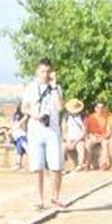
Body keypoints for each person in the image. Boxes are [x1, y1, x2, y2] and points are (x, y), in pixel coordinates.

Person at [21, 58, 65, 210]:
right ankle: (39, 199)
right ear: (37, 71)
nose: (45, 74)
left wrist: (53, 87)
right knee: (37, 166)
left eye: (48, 71)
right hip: (36, 129)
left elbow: (59, 108)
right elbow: (23, 107)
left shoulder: (56, 88)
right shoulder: (31, 88)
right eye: (42, 71)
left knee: (56, 165)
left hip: (52, 130)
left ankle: (56, 197)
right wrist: (34, 115)